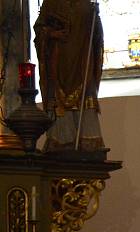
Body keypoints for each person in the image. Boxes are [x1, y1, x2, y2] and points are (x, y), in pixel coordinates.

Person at [34, 0, 105, 152]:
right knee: (59, 105)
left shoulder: (87, 5)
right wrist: (51, 34)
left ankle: (88, 144)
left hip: (82, 67)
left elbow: (95, 38)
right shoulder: (51, 3)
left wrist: (96, 19)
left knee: (86, 101)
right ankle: (63, 142)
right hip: (58, 66)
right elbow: (39, 31)